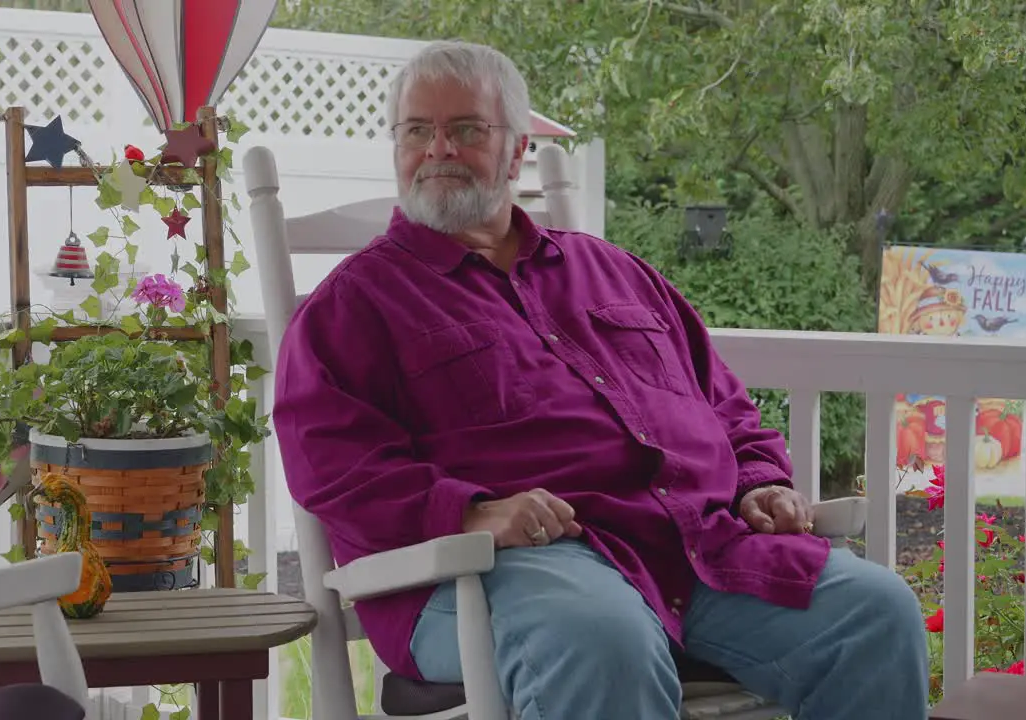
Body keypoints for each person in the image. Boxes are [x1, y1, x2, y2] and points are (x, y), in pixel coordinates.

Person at [273, 40, 929, 720]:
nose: (438, 148)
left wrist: (761, 479)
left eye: (466, 129)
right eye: (417, 130)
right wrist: (475, 513)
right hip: (502, 571)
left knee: (875, 615)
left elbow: (725, 404)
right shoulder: (353, 307)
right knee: (603, 638)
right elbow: (336, 469)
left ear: (516, 149)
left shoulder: (615, 272)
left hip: (693, 552)